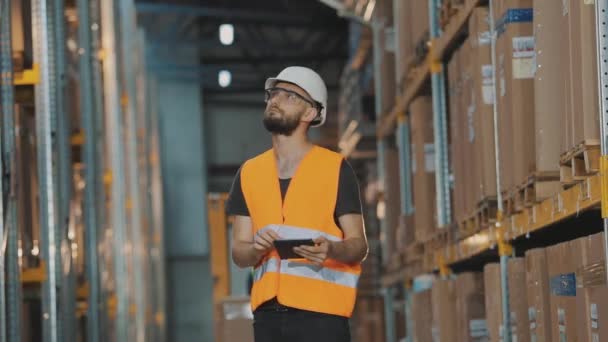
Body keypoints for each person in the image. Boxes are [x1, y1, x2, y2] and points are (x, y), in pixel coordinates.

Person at [226, 66, 368, 342]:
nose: (276, 100)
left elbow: (358, 245)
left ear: (310, 113)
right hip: (268, 317)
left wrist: (332, 249)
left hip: (322, 318)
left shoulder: (335, 168)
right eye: (273, 93)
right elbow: (239, 252)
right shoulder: (249, 173)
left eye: (289, 96)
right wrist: (255, 249)